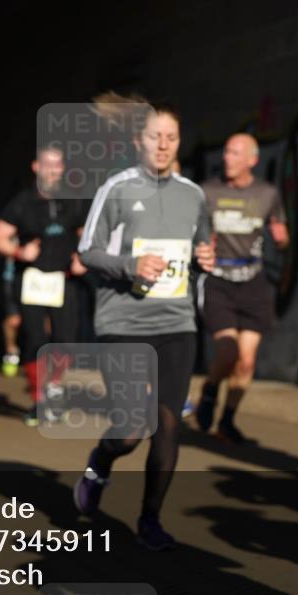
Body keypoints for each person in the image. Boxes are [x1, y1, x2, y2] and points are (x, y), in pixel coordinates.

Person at [72, 101, 215, 550]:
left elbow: (200, 253)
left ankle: (150, 519)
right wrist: (131, 265)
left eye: (171, 137)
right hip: (124, 322)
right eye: (155, 136)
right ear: (139, 140)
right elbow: (87, 252)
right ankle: (102, 459)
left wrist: (205, 262)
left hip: (176, 322)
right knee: (132, 427)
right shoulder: (116, 188)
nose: (163, 144)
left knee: (169, 424)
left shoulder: (193, 194)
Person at [194, 132, 289, 442]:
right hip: (219, 280)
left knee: (246, 361)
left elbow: (283, 235)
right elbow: (193, 233)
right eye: (226, 152)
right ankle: (210, 388)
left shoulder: (267, 193)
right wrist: (201, 244)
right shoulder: (207, 191)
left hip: (253, 282)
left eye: (235, 153)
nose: (227, 158)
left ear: (252, 160)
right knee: (228, 350)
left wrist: (281, 238)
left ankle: (227, 421)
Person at [0, 145, 86, 425]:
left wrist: (83, 257)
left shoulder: (73, 201)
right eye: (47, 164)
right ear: (36, 167)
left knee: (66, 340)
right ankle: (38, 400)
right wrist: (19, 252)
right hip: (32, 280)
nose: (52, 170)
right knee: (35, 340)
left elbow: (87, 235)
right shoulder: (22, 202)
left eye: (57, 165)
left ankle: (54, 386)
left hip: (63, 279)